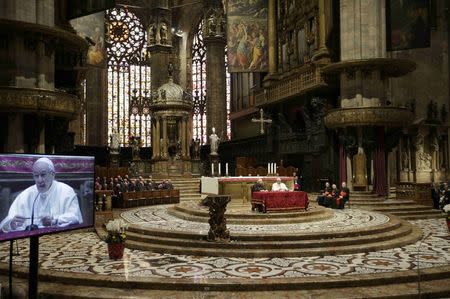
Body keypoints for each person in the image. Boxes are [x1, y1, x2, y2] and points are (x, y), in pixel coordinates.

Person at [0, 157, 83, 232]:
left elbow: (75, 217)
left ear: (52, 175)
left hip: (59, 238)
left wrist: (55, 220)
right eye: (36, 176)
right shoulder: (26, 195)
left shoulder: (66, 191)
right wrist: (12, 224)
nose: (40, 180)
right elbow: (6, 224)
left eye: (43, 175)